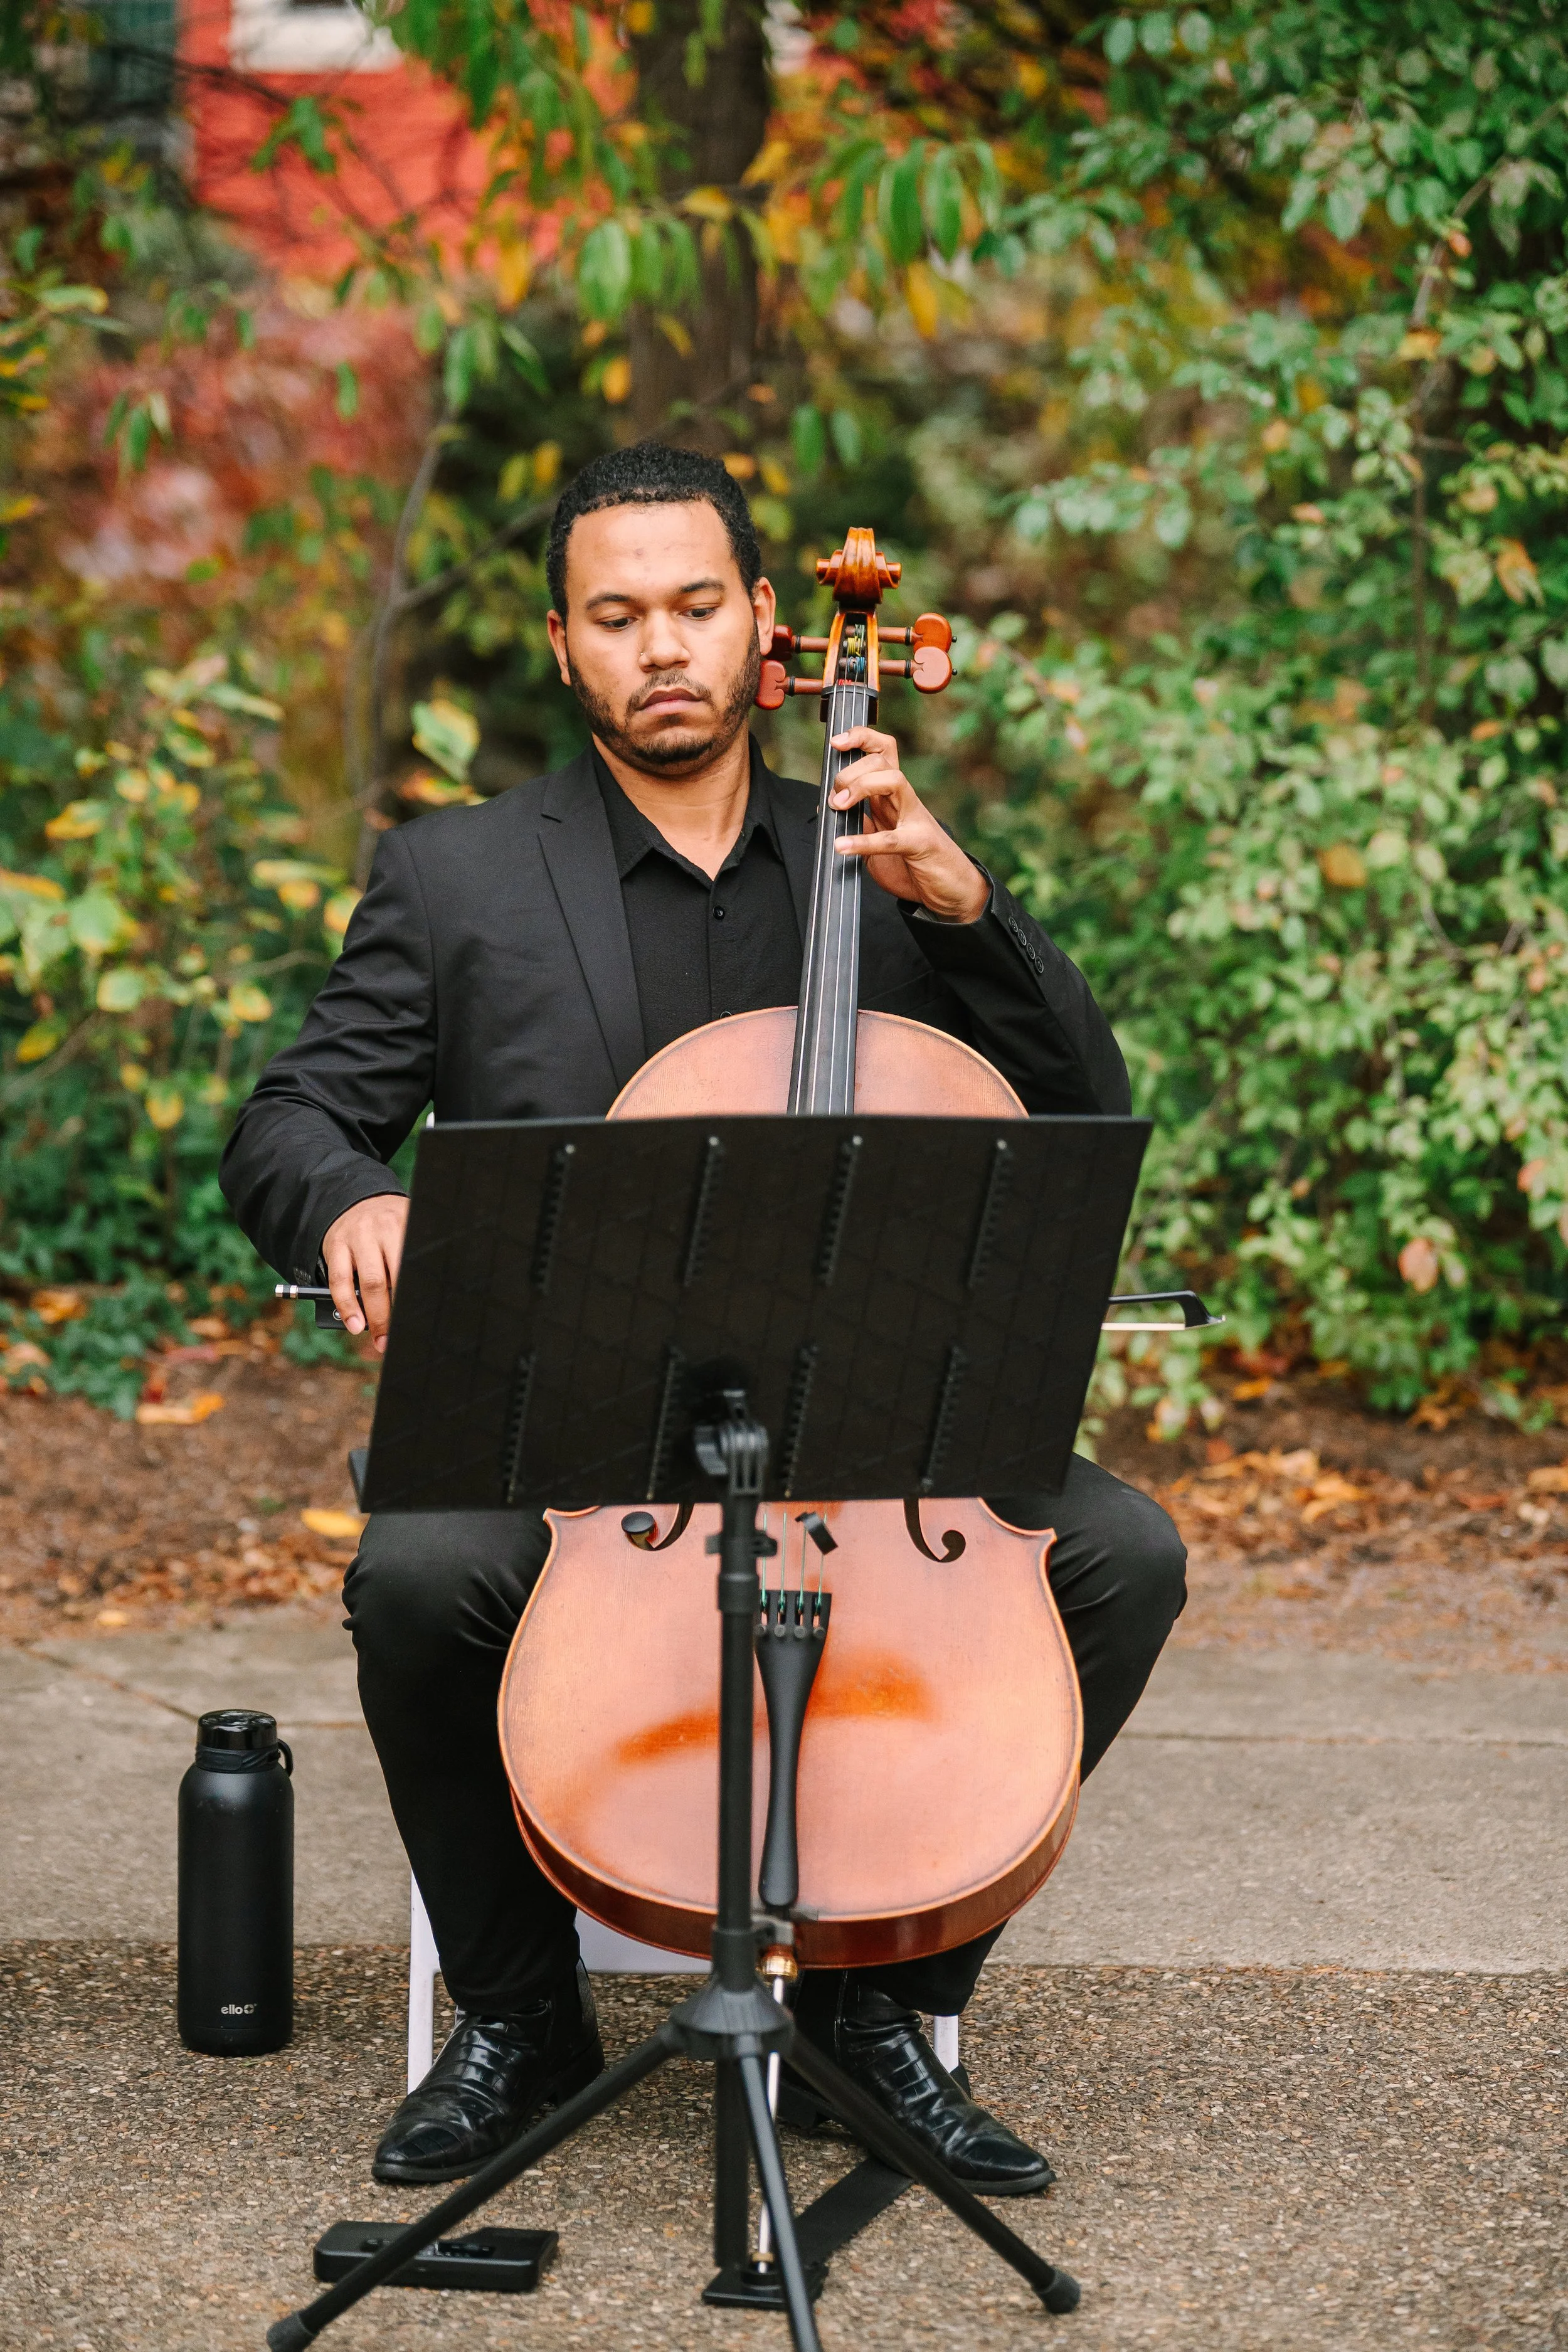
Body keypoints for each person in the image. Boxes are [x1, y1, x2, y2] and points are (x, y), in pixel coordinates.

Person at [221, 441, 1186, 2198]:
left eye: (691, 606)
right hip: (574, 1422)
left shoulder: (882, 866)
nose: (658, 645)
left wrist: (971, 915)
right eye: (615, 616)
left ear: (761, 624)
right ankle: (518, 2017)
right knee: (421, 1574)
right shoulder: (457, 882)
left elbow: (1076, 1110)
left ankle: (878, 2002)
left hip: (869, 1427)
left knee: (1120, 1550)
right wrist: (351, 1194)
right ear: (562, 644)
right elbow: (287, 1117)